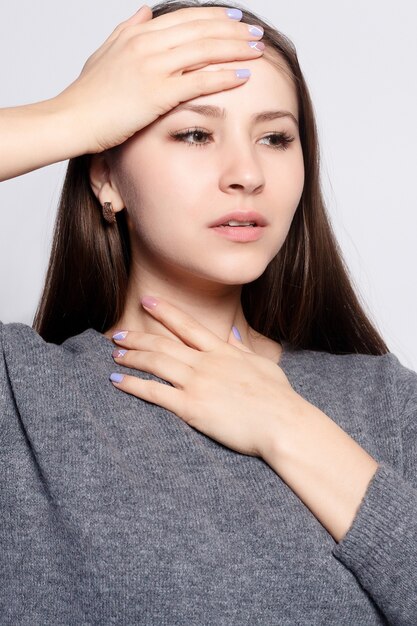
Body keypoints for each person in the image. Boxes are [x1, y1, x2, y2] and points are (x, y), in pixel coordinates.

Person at [1, 1, 416, 624]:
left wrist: (290, 427)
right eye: (195, 133)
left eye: (276, 137)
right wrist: (71, 115)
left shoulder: (385, 401)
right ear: (105, 176)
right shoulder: (21, 399)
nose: (247, 173)